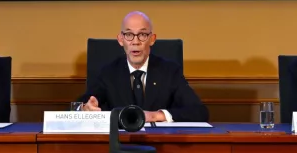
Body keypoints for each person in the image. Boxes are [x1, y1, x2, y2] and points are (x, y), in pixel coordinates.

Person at [79, 11, 209, 122]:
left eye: (142, 35)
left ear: (152, 39)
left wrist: (156, 115)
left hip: (161, 143)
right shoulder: (108, 73)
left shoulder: (170, 71)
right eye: (129, 35)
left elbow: (199, 112)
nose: (135, 42)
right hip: (120, 143)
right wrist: (85, 108)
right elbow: (76, 107)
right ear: (120, 40)